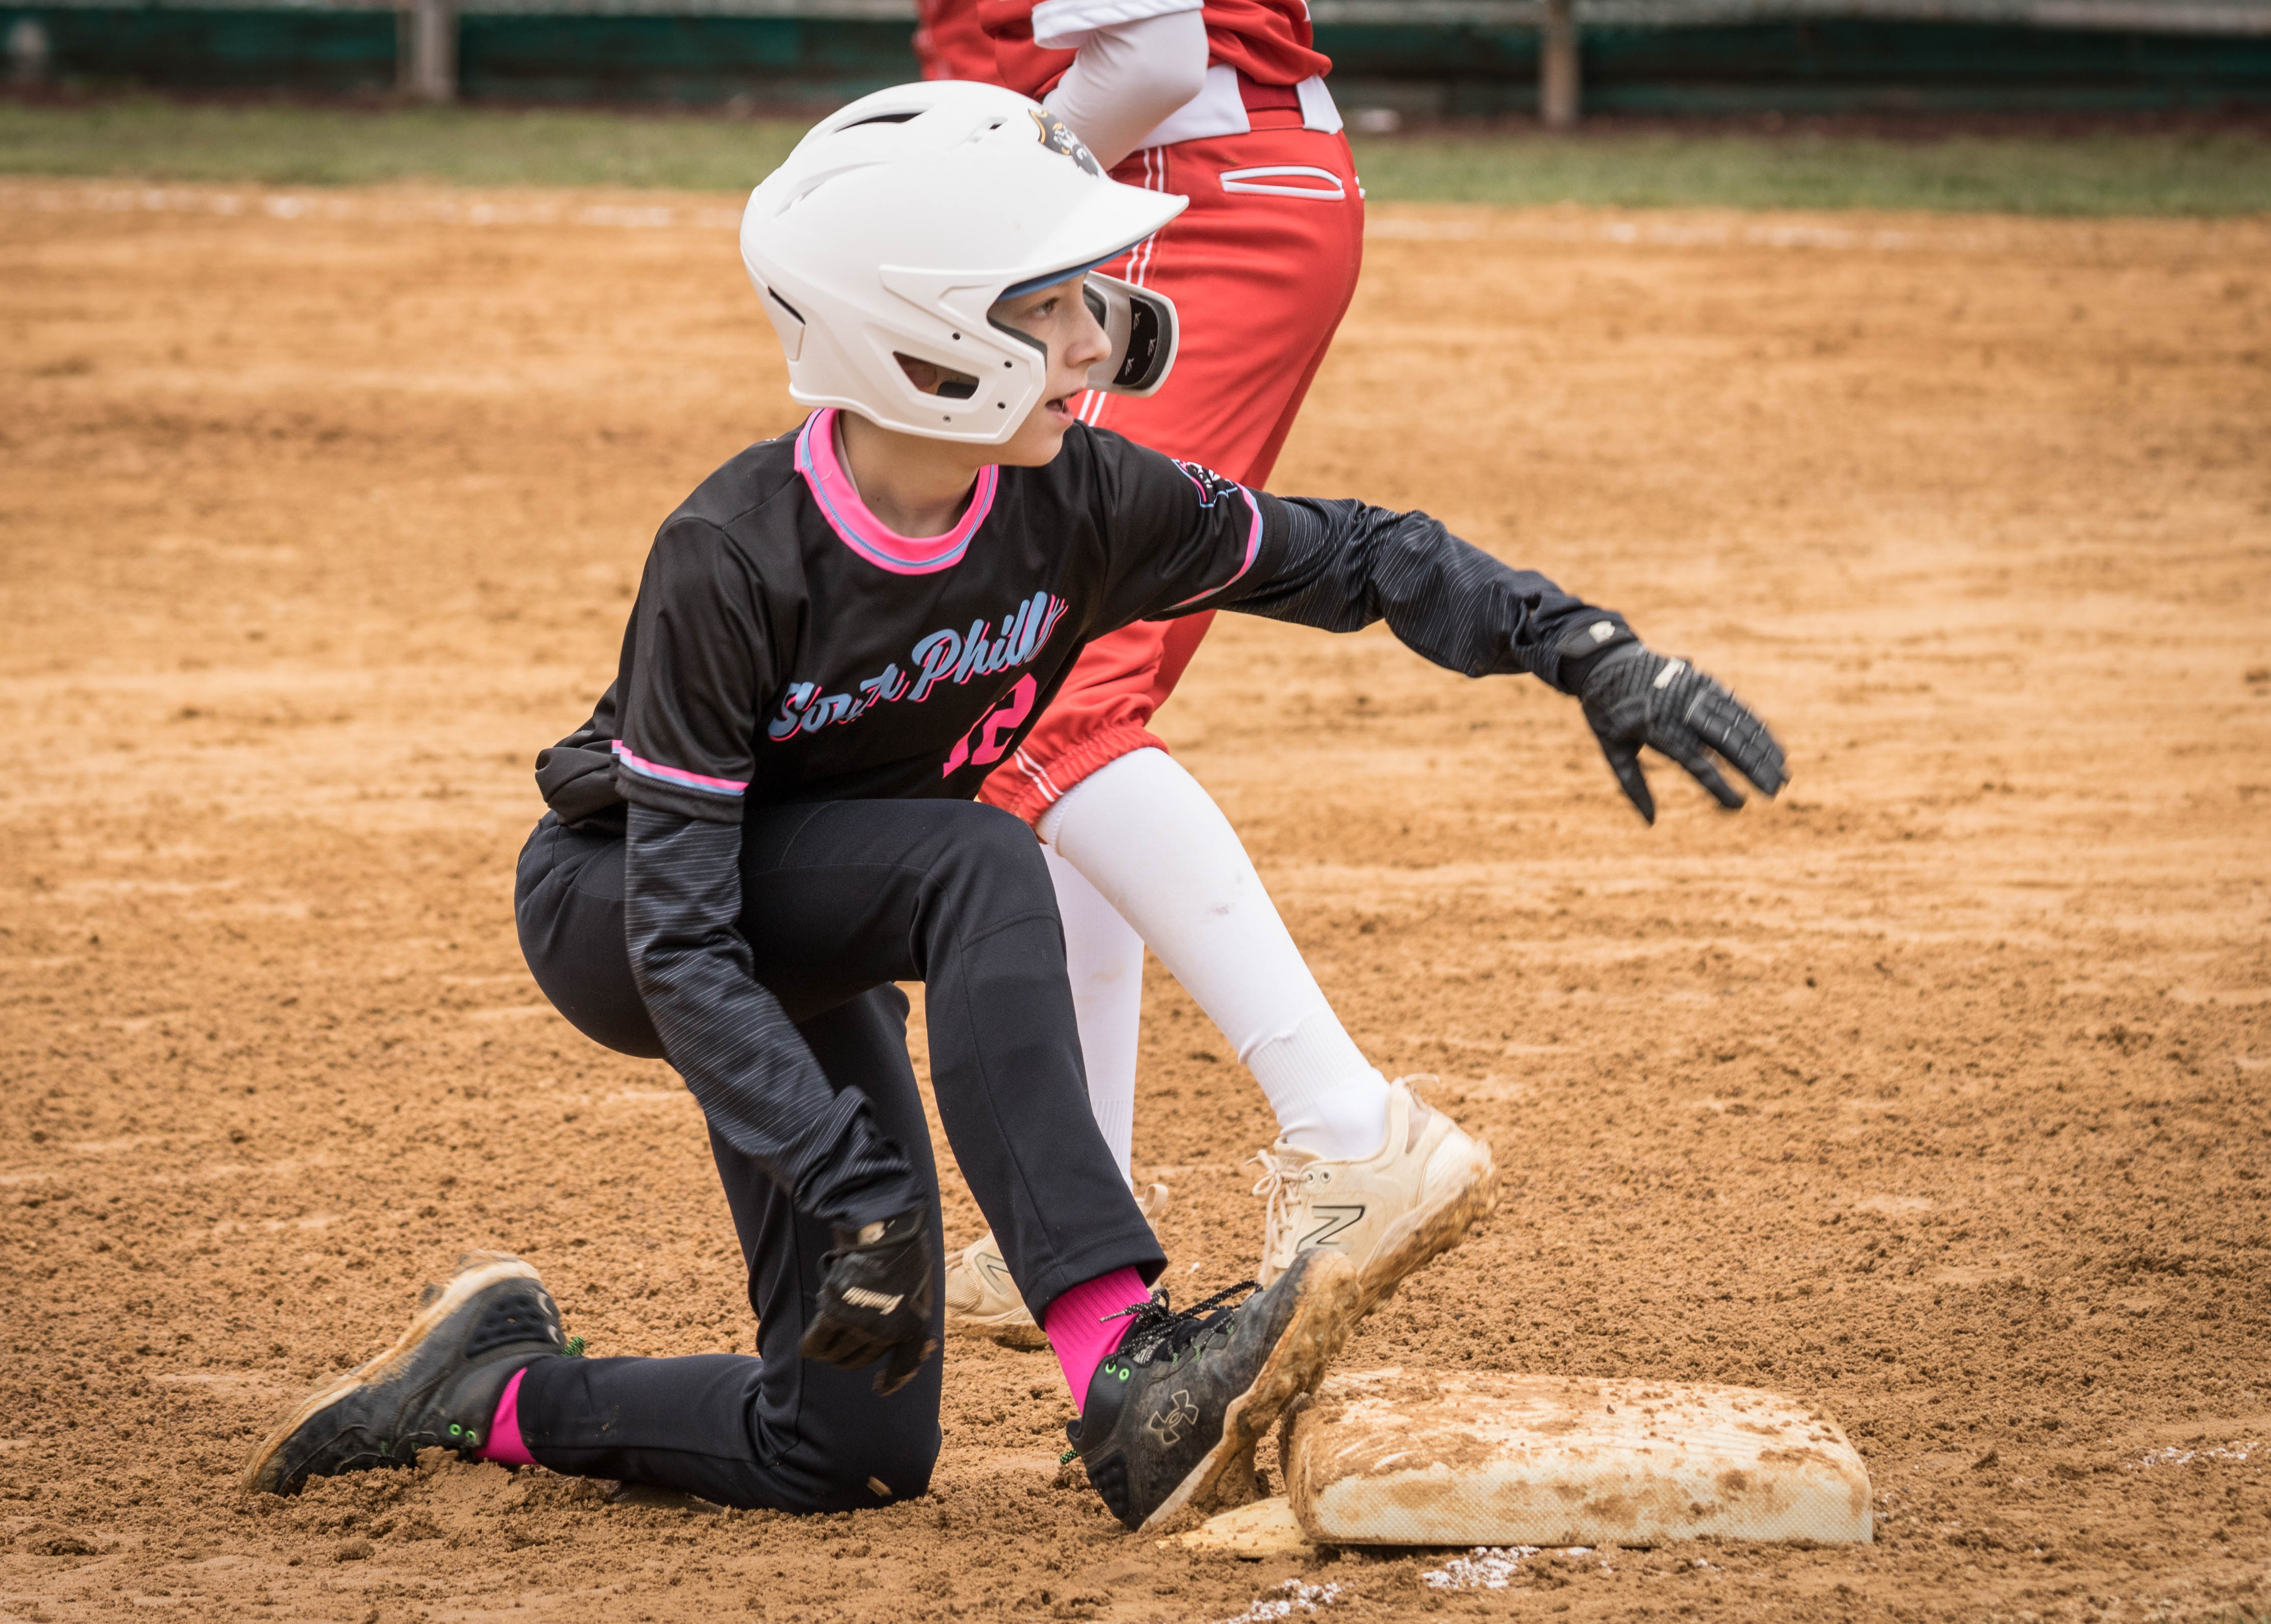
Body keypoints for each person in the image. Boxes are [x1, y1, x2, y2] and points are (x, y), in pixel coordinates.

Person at [242, 82, 1785, 1536]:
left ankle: (486, 1391)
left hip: (832, 912)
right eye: (1044, 307)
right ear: (910, 335)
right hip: (630, 911)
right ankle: (1125, 1370)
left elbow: (1360, 555)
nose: (1094, 339)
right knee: (986, 857)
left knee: (849, 1448)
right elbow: (683, 937)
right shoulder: (732, 553)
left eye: (1084, 298)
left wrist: (1585, 649)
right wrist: (844, 1180)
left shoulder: (1080, 500)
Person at [911, 0, 1482, 1340]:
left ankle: (1348, 1125)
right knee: (1048, 688)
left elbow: (1155, 55)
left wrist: (1004, 201)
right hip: (1188, 187)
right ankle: (1080, 1200)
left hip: (1184, 193)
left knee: (1050, 690)